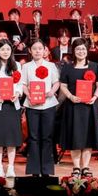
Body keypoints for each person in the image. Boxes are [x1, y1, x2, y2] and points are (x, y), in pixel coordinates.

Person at [58, 38, 98, 178]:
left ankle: (86, 167)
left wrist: (95, 97)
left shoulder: (94, 66)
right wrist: (70, 97)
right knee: (75, 137)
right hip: (73, 106)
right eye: (78, 49)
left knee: (88, 137)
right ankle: (76, 167)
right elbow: (63, 86)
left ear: (87, 50)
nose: (81, 51)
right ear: (73, 51)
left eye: (83, 49)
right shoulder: (67, 67)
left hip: (89, 107)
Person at [21, 39, 60, 176]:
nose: (37, 51)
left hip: (48, 104)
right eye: (34, 48)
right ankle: (34, 169)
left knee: (47, 137)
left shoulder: (51, 66)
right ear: (30, 51)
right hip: (32, 105)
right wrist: (29, 95)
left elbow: (56, 82)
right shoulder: (26, 67)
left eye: (40, 48)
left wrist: (51, 92)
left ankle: (46, 169)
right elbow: (23, 84)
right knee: (33, 137)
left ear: (45, 51)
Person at [0, 39, 23, 178]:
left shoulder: (17, 65)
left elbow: (20, 84)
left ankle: (11, 167)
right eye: (2, 49)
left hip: (12, 105)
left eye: (8, 49)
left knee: (12, 138)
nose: (5, 52)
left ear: (11, 51)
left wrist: (17, 93)